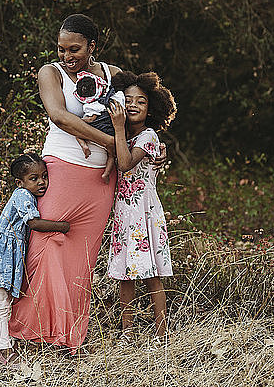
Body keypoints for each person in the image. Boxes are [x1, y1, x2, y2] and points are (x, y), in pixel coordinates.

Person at [8, 14, 122, 354]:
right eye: (61, 49)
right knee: (45, 246)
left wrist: (119, 151)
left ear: (93, 46)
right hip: (61, 169)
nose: (67, 56)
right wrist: (109, 140)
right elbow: (60, 116)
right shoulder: (51, 73)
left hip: (101, 180)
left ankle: (67, 337)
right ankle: (28, 332)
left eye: (75, 49)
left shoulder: (113, 74)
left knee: (81, 260)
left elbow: (127, 118)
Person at [0, 153, 70, 369]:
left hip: (7, 256)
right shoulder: (23, 196)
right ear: (20, 182)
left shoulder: (27, 195)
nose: (42, 182)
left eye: (44, 176)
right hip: (2, 256)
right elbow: (34, 223)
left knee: (2, 303)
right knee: (2, 305)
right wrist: (62, 226)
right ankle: (5, 350)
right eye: (34, 178)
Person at [107, 71, 177, 346]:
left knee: (153, 275)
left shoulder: (148, 136)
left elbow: (125, 164)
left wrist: (119, 128)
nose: (134, 105)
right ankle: (127, 331)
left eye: (141, 102)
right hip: (125, 214)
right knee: (126, 274)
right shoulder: (123, 134)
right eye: (128, 100)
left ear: (151, 110)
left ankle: (161, 333)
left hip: (145, 213)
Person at [73, 69, 125, 180]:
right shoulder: (114, 97)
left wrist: (79, 122)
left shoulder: (93, 104)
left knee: (77, 132)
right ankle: (106, 173)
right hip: (111, 130)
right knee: (111, 155)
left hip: (98, 127)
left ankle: (84, 145)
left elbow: (92, 118)